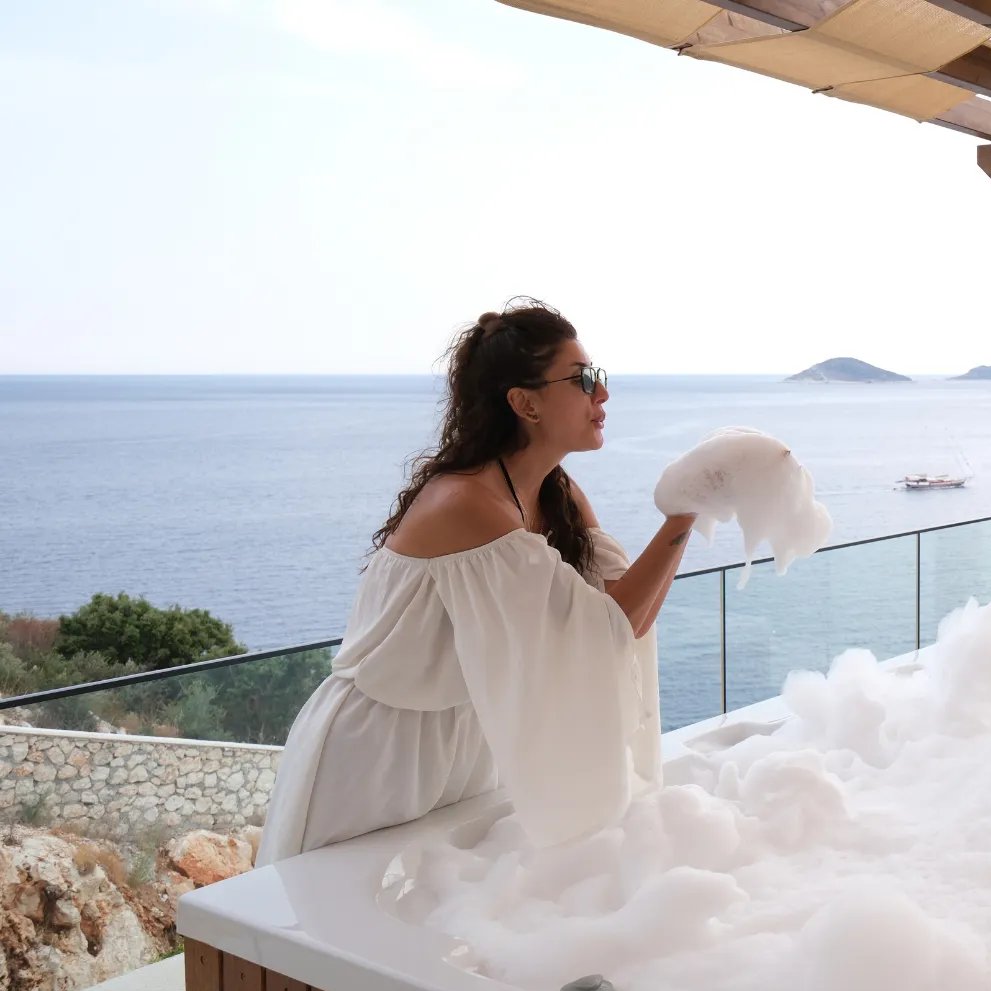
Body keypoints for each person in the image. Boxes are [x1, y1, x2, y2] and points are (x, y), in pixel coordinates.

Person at [257, 298, 696, 865]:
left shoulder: (556, 493)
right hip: (381, 749)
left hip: (467, 735)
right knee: (336, 914)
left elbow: (621, 613)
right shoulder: (468, 503)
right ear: (524, 403)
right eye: (584, 379)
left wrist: (689, 509)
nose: (603, 393)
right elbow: (609, 628)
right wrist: (685, 512)